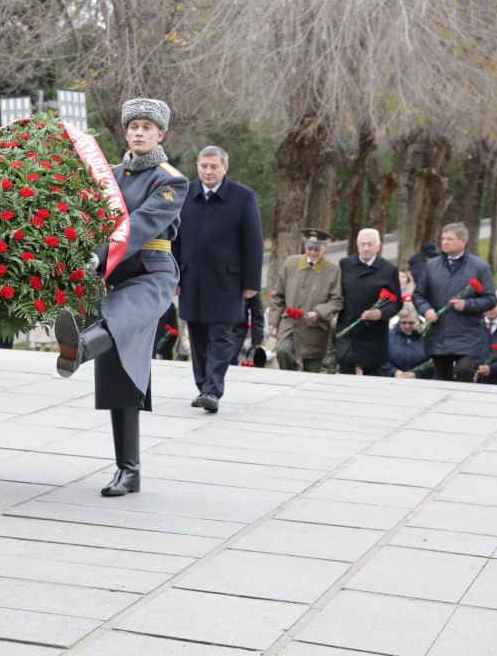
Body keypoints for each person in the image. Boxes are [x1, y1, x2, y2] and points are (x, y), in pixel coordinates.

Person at [54, 98, 187, 497]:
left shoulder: (170, 179)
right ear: (125, 132)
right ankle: (128, 470)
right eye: (133, 127)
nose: (139, 132)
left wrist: (99, 255)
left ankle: (79, 346)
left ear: (160, 134)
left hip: (151, 275)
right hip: (110, 276)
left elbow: (143, 224)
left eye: (147, 127)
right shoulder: (108, 175)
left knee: (120, 319)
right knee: (121, 372)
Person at [173, 145, 262, 412]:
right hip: (192, 279)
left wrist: (252, 283)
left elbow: (254, 242)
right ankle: (204, 388)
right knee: (197, 335)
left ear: (225, 168)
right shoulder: (185, 193)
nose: (208, 171)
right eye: (204, 166)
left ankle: (213, 389)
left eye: (214, 166)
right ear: (198, 166)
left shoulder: (243, 197)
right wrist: (174, 276)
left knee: (222, 335)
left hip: (227, 281)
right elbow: (174, 238)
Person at [412, 223, 496, 382]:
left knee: (464, 370)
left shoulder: (480, 267)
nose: (444, 242)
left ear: (463, 241)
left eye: (450, 239)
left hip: (467, 335)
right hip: (439, 334)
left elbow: (490, 299)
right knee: (443, 380)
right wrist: (427, 310)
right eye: (443, 238)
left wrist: (466, 305)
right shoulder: (431, 266)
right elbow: (418, 295)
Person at [267, 229, 343, 372]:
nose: (313, 253)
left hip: (315, 328)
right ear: (304, 246)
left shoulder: (333, 271)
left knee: (311, 369)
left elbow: (336, 301)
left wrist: (319, 312)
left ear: (324, 248)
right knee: (283, 351)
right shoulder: (291, 263)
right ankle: (289, 379)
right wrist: (273, 322)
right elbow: (278, 295)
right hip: (289, 323)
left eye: (317, 249)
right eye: (309, 248)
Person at [336, 228, 401, 375]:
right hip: (347, 328)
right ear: (357, 246)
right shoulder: (345, 264)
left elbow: (396, 303)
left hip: (373, 333)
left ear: (378, 246)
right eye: (362, 244)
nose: (366, 248)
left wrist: (380, 313)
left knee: (372, 375)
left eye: (370, 244)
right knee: (346, 363)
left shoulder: (389, 269)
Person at [381, 306, 430, 378]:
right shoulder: (389, 336)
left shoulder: (428, 336)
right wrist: (394, 372)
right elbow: (380, 359)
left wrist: (417, 374)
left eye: (411, 323)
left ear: (418, 321)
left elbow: (434, 362)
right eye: (404, 323)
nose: (407, 326)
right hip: (393, 379)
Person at [474, 293, 497, 385]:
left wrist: (492, 369)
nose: (491, 308)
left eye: (494, 305)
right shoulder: (473, 326)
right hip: (474, 382)